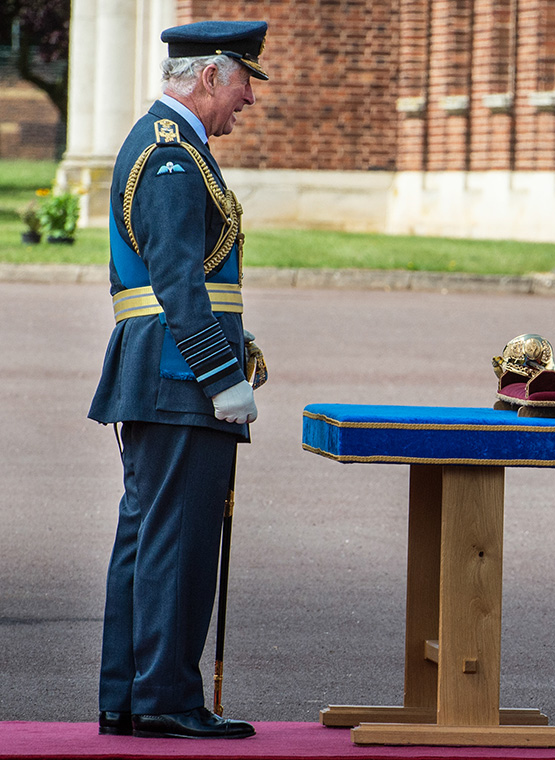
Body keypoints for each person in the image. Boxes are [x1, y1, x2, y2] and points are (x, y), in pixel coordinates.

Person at [88, 20, 269, 740]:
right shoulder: (172, 155)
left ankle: (130, 696)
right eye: (244, 82)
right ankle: (164, 696)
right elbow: (172, 277)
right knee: (177, 538)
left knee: (149, 532)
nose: (248, 100)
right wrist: (222, 373)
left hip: (169, 362)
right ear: (209, 77)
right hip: (178, 370)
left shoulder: (176, 146)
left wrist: (235, 339)